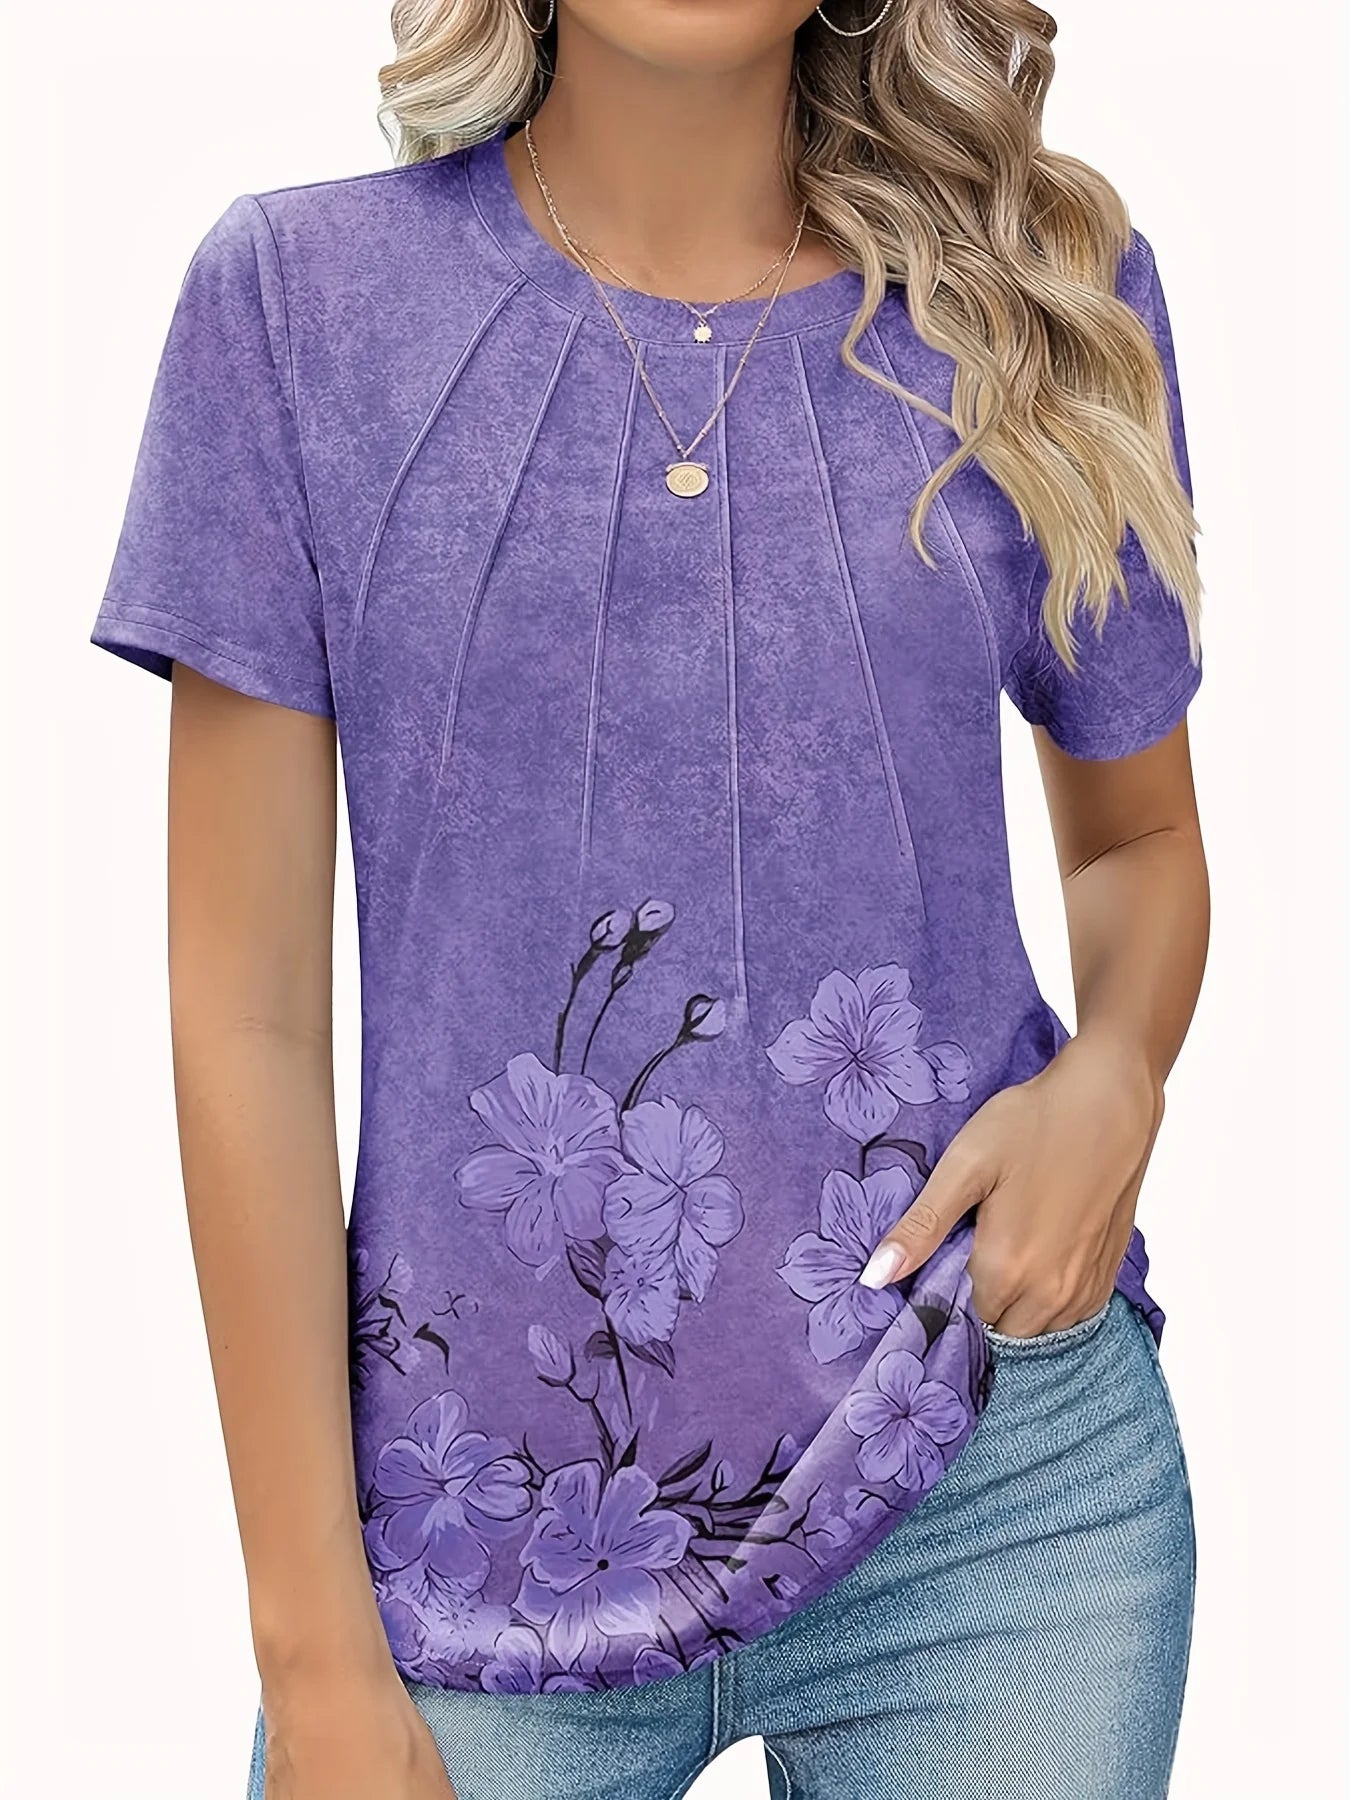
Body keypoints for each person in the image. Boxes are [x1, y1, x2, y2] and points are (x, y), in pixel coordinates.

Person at [90, 3, 1209, 1796]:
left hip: (993, 1487)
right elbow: (249, 1018)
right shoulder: (299, 309)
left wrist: (1117, 1073)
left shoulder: (1037, 303)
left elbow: (1133, 842)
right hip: (463, 1565)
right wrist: (311, 1656)